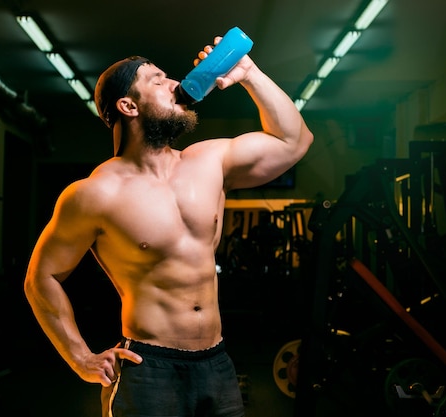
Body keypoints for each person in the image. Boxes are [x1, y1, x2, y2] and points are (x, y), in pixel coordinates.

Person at [24, 31, 314, 417]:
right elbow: (40, 278)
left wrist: (249, 73)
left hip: (217, 363)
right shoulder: (94, 194)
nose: (177, 84)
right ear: (128, 105)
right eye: (158, 80)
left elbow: (294, 140)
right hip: (149, 369)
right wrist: (80, 358)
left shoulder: (208, 161)